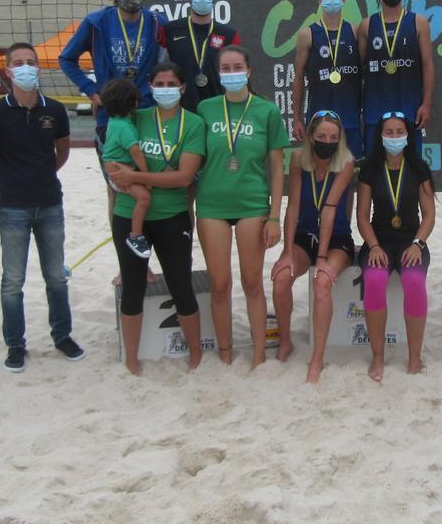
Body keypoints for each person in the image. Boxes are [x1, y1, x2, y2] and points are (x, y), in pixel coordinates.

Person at [0, 42, 83, 373]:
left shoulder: (55, 109)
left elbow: (61, 153)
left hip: (49, 201)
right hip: (12, 206)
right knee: (13, 280)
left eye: (31, 62)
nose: (26, 67)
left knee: (56, 277)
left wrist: (41, 175)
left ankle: (62, 336)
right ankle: (16, 344)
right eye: (18, 63)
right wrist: (10, 180)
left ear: (39, 68)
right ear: (8, 70)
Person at [106, 62, 207, 374]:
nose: (165, 89)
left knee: (181, 286)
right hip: (128, 213)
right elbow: (111, 160)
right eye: (159, 83)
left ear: (183, 87)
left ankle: (195, 354)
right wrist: (115, 177)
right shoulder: (134, 116)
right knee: (133, 287)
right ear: (150, 88)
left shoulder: (193, 123)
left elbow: (184, 177)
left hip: (171, 215)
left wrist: (135, 176)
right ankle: (132, 358)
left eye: (171, 83)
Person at [59, 0, 166, 249]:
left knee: (150, 188)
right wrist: (92, 92)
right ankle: (127, 261)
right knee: (118, 191)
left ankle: (153, 254)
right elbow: (66, 59)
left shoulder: (156, 23)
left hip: (146, 113)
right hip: (111, 117)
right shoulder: (96, 22)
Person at [195, 45, 289, 368]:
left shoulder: (267, 111)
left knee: (252, 281)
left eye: (238, 67)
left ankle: (260, 352)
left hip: (252, 204)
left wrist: (274, 215)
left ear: (248, 71)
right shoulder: (206, 109)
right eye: (226, 68)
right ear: (218, 74)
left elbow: (277, 169)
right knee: (219, 284)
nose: (232, 73)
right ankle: (224, 353)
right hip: (211, 205)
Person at [271, 110, 356, 383]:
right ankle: (285, 341)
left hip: (337, 238)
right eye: (321, 136)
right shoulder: (298, 159)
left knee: (322, 282)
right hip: (305, 234)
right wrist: (286, 252)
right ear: (310, 136)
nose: (327, 142)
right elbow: (293, 205)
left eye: (333, 137)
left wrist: (321, 259)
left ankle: (317, 358)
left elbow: (330, 209)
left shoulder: (346, 162)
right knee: (281, 277)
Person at [356, 112, 435, 381]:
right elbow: (362, 217)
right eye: (388, 132)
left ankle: (414, 357)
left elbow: (429, 216)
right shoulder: (369, 168)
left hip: (411, 242)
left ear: (408, 135)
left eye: (399, 132)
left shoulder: (418, 167)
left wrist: (418, 244)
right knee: (375, 281)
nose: (394, 137)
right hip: (378, 241)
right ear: (380, 136)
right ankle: (378, 357)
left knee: (414, 283)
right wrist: (374, 246)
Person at [357, 0, 435, 152]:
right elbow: (360, 70)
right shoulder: (367, 25)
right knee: (373, 165)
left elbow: (428, 65)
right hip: (375, 108)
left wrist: (426, 103)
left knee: (411, 164)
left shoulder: (419, 22)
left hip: (410, 107)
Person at [291, 0, 363, 157]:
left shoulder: (355, 31)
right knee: (320, 174)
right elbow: (298, 78)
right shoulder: (308, 34)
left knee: (351, 174)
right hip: (319, 120)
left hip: (351, 120)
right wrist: (297, 119)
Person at [160, 0, 241, 113]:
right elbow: (158, 70)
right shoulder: (169, 31)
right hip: (180, 113)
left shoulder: (229, 34)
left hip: (218, 112)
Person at [98, 78, 154, 258]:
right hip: (117, 168)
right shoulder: (125, 127)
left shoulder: (114, 121)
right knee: (144, 197)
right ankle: (135, 235)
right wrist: (146, 176)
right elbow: (136, 153)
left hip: (113, 165)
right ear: (132, 101)